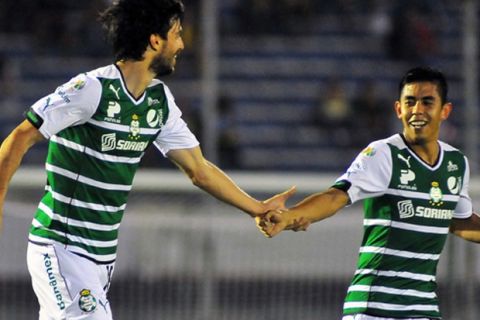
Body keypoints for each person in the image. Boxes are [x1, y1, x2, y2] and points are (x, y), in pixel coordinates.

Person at [0, 1, 300, 319]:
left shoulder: (158, 102)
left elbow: (199, 170)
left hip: (100, 259)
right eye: (177, 34)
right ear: (155, 40)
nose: (182, 44)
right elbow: (19, 138)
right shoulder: (92, 90)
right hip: (61, 246)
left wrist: (257, 208)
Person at [259, 67, 480, 320]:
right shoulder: (383, 154)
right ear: (399, 109)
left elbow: (458, 220)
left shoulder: (456, 163)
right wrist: (292, 215)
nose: (417, 110)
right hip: (374, 307)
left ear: (445, 111)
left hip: (423, 308)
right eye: (410, 102)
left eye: (427, 102)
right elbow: (336, 196)